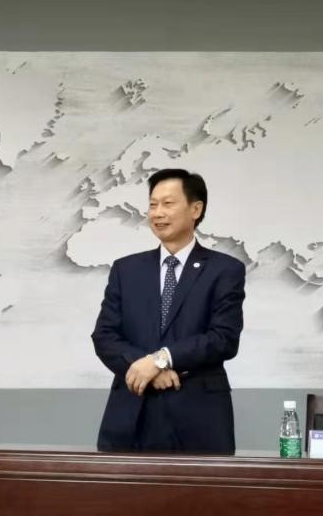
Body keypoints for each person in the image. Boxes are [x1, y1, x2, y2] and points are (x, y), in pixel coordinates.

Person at [91, 168, 246, 453]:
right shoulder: (126, 269)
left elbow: (223, 338)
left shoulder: (225, 270)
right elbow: (104, 336)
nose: (158, 213)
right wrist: (147, 367)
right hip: (131, 415)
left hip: (198, 419)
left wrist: (162, 359)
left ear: (196, 209)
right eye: (153, 204)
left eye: (168, 203)